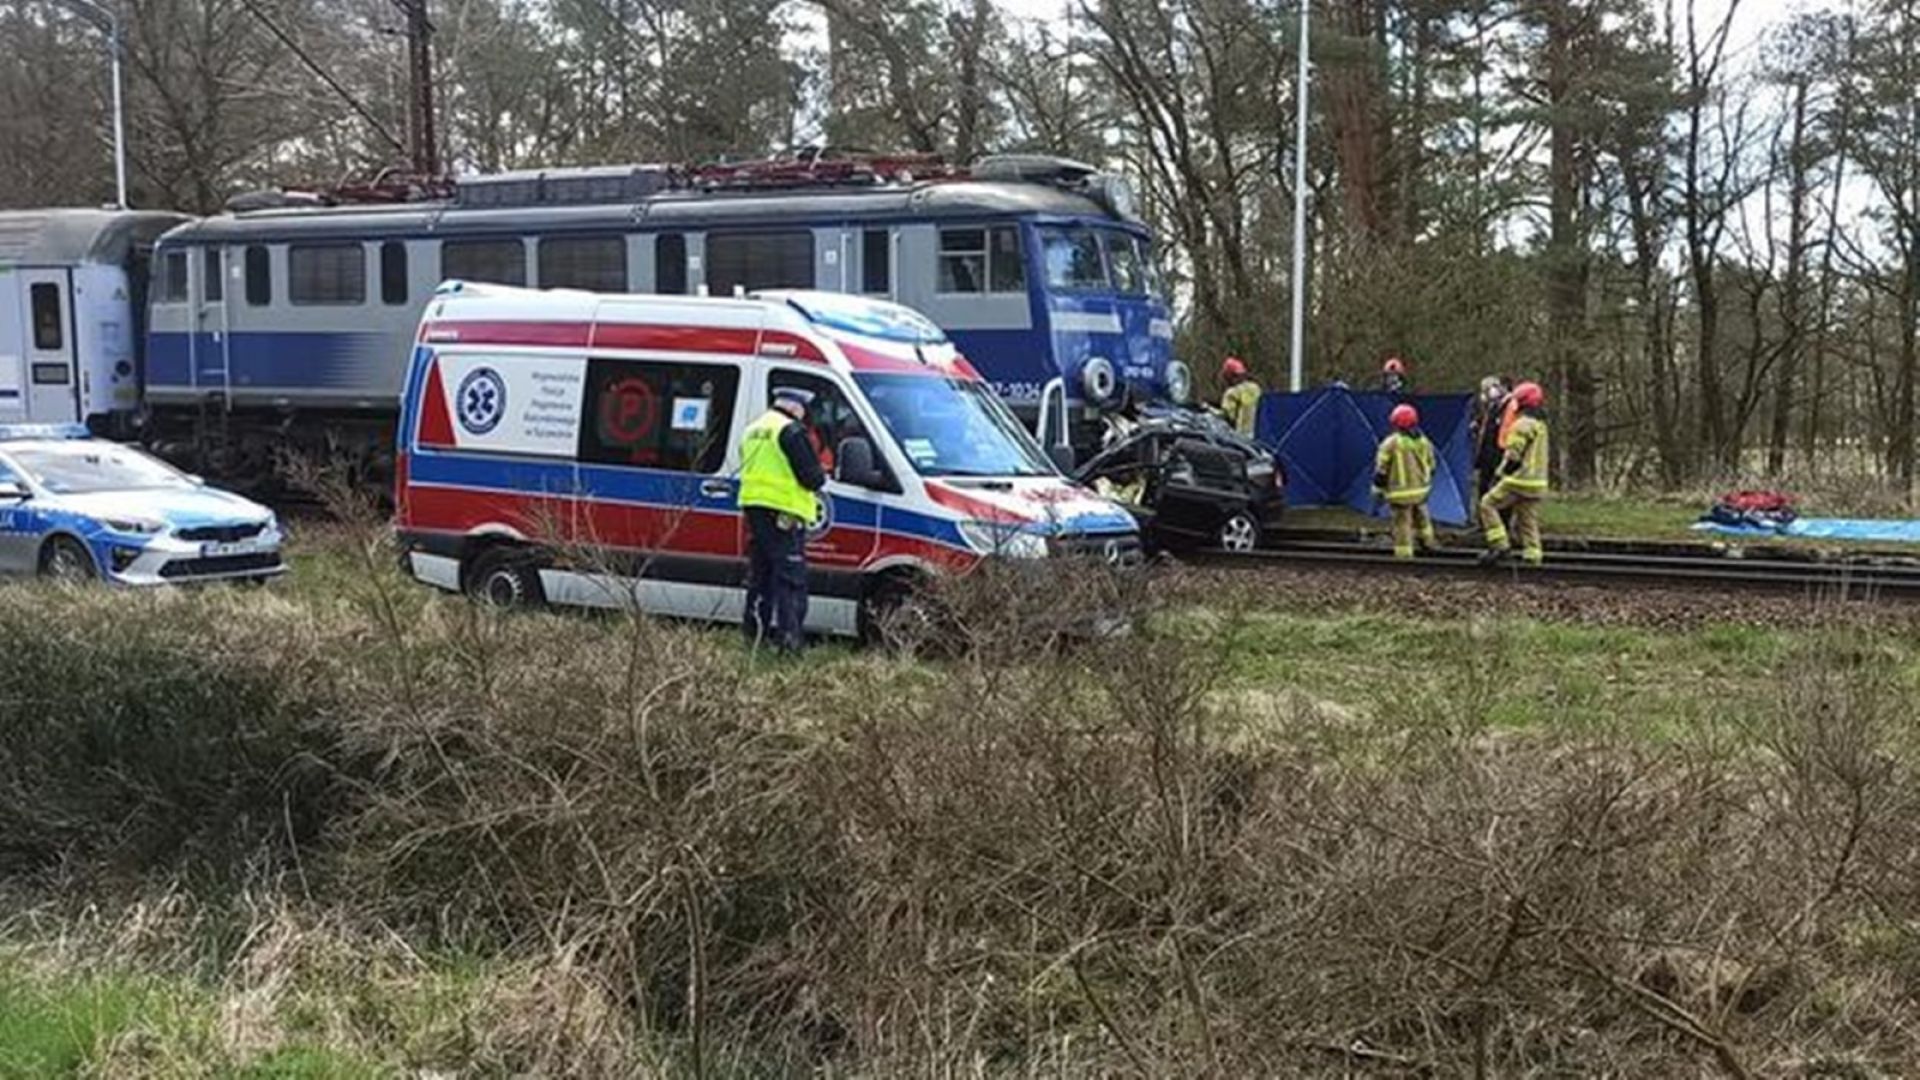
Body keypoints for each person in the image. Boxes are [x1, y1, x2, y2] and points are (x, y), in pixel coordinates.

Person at [737, 386, 827, 652]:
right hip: (784, 512)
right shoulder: (790, 431)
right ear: (796, 407)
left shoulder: (753, 429)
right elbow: (812, 478)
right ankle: (790, 642)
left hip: (755, 510)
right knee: (791, 578)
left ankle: (755, 638)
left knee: (760, 576)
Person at [1480, 380, 1549, 565]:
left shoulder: (1520, 425)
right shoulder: (1540, 425)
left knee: (1487, 504)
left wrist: (1500, 474)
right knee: (1527, 520)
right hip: (1538, 482)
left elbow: (1513, 456)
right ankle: (1533, 557)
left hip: (1520, 479)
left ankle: (1500, 545)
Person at [1374, 403, 1438, 559]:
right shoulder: (1424, 442)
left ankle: (1404, 555)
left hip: (1399, 493)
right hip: (1421, 491)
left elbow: (1381, 470)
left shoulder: (1390, 443)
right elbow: (1432, 466)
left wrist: (1378, 490)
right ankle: (1428, 543)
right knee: (1422, 517)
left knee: (1402, 523)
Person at [1470, 375, 1509, 501]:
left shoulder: (1505, 407)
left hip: (1496, 455)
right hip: (1486, 456)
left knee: (1493, 489)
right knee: (1483, 487)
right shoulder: (1489, 409)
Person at [1218, 356, 1261, 436]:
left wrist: (1210, 411)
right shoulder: (1256, 389)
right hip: (1257, 435)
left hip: (1240, 437)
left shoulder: (1232, 393)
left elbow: (1228, 416)